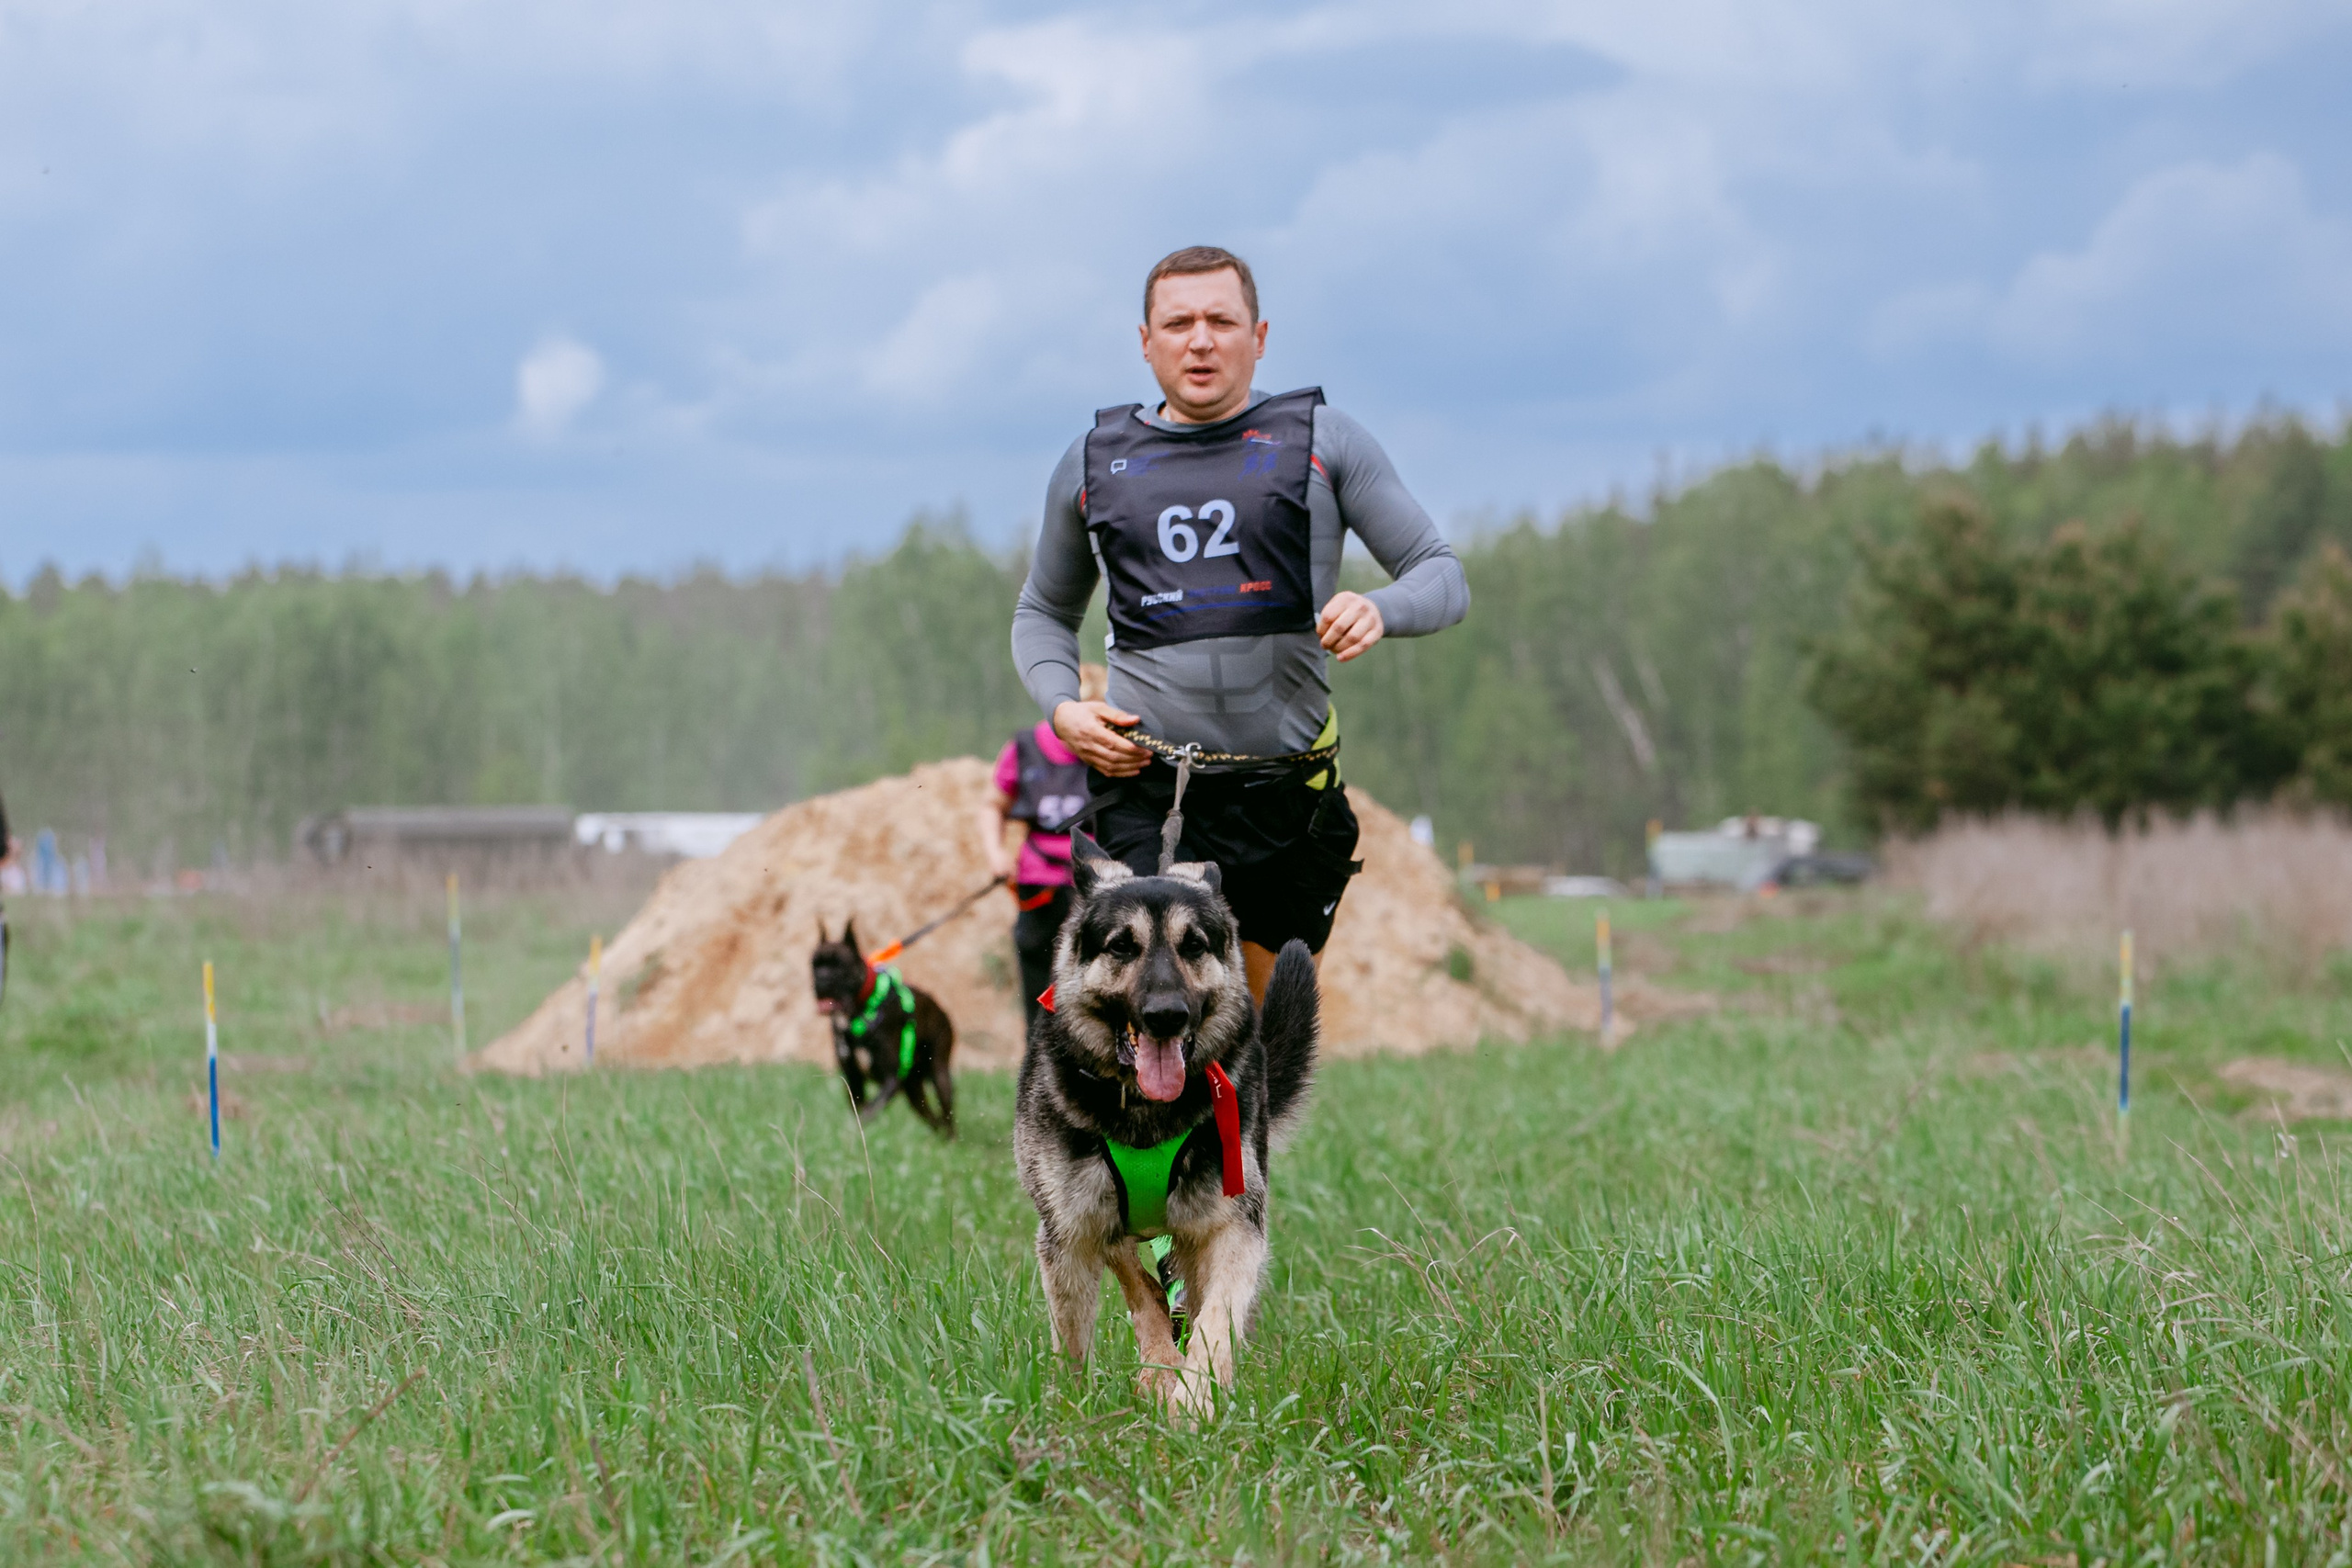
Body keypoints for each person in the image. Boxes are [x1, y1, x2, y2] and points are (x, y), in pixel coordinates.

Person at [1012, 245, 1469, 1001]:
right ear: (1145, 341)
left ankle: (1242, 1121)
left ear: (1257, 336)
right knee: (1159, 1008)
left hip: (1286, 798)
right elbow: (1043, 611)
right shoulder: (1093, 462)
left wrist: (1378, 608)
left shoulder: (1326, 442)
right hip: (1149, 794)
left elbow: (1441, 573)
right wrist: (1063, 708)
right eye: (1179, 322)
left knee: (1257, 1031)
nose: (1201, 339)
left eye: (1221, 320)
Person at [981, 664, 1107, 1029]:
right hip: (1039, 887)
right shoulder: (1024, 747)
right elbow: (994, 805)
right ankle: (1038, 1064)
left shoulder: (1109, 748)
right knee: (1038, 985)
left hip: (1095, 888)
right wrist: (995, 852)